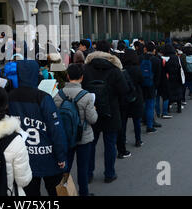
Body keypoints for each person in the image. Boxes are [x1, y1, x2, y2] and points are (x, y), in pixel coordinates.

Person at [8, 60, 67, 196]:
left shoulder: (11, 96)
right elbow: (56, 129)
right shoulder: (43, 97)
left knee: (30, 194)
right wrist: (61, 156)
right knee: (55, 191)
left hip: (24, 155)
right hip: (48, 155)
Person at [81, 40, 128, 183]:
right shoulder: (115, 69)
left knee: (90, 144)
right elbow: (124, 91)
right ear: (109, 51)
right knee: (110, 144)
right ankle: (109, 173)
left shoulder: (86, 68)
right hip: (111, 111)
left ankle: (88, 174)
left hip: (91, 111)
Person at [53, 64, 98, 196]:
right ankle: (84, 193)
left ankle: (64, 191)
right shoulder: (87, 96)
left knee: (65, 168)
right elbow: (93, 119)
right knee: (82, 168)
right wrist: (94, 110)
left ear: (67, 76)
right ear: (82, 77)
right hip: (84, 137)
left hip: (66, 137)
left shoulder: (58, 95)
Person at [118, 49, 144, 151]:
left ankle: (123, 139)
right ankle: (138, 140)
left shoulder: (121, 69)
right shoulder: (137, 69)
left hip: (124, 97)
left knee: (123, 121)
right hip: (136, 96)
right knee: (136, 120)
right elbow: (142, 81)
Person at [139, 43, 163, 133]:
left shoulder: (140, 58)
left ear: (145, 49)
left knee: (143, 104)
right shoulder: (156, 60)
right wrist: (155, 86)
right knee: (150, 106)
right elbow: (158, 76)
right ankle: (150, 125)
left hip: (141, 85)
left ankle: (142, 121)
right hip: (151, 85)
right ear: (154, 50)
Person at [162, 44, 184, 113]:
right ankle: (179, 108)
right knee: (178, 92)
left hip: (168, 77)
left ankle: (168, 108)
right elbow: (179, 67)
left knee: (169, 93)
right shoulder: (176, 57)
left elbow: (163, 68)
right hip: (177, 77)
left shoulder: (164, 58)